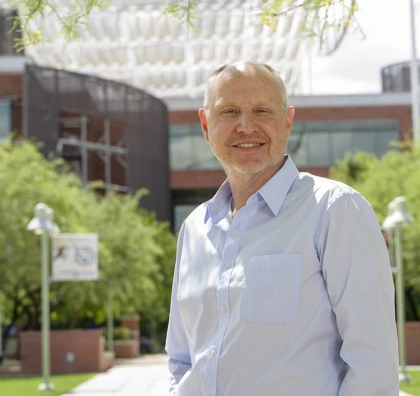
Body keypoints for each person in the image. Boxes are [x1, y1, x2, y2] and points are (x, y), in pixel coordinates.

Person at [165, 61, 398, 396]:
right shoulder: (194, 229)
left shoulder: (335, 210)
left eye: (262, 110)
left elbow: (373, 365)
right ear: (205, 124)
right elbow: (181, 357)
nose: (246, 127)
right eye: (229, 111)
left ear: (287, 121)